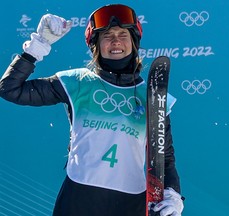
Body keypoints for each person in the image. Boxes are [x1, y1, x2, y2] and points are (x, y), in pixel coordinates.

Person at [0, 4, 184, 216]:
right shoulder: (76, 82)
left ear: (133, 42)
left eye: (123, 34)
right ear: (95, 45)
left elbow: (164, 158)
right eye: (106, 36)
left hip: (130, 202)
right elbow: (10, 89)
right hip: (79, 198)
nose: (115, 41)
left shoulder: (152, 94)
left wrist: (172, 194)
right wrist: (37, 47)